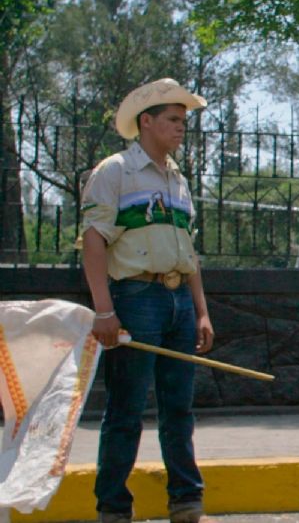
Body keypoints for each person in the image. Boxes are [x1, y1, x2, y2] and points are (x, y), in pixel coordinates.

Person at [80, 78, 215, 523]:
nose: (181, 129)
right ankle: (114, 507)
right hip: (135, 296)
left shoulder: (178, 179)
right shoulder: (115, 171)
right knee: (126, 408)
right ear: (146, 122)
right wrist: (104, 309)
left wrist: (201, 311)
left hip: (177, 299)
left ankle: (186, 499)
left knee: (179, 406)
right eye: (173, 121)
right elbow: (94, 240)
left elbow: (189, 250)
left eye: (183, 122)